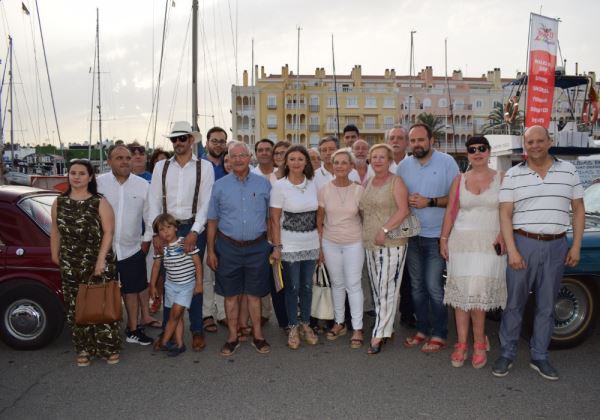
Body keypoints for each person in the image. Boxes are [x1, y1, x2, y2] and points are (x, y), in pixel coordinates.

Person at [492, 125, 585, 381]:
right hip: (523, 243)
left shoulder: (569, 171)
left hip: (556, 245)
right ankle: (507, 353)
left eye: (539, 140)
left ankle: (540, 355)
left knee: (547, 305)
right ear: (525, 145)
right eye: (529, 141)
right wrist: (512, 250)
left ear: (549, 141)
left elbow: (578, 210)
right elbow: (505, 214)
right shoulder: (513, 175)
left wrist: (575, 245)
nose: (534, 145)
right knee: (514, 303)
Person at [439, 136, 507, 368]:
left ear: (489, 152)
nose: (477, 152)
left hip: (489, 244)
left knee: (478, 295)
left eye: (482, 148)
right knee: (461, 296)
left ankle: (479, 343)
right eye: (472, 149)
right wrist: (444, 239)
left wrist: (503, 235)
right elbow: (451, 211)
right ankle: (461, 344)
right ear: (467, 154)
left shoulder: (502, 178)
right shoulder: (459, 180)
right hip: (462, 243)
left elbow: (509, 211)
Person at [147, 121, 215, 352]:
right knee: (169, 281)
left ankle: (196, 330)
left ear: (191, 140)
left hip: (193, 227)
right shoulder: (161, 167)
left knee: (194, 280)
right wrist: (157, 232)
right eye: (174, 139)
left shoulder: (204, 167)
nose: (177, 143)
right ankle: (168, 329)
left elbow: (206, 202)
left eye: (182, 138)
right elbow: (154, 200)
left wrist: (195, 231)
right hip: (167, 229)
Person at [50, 159, 121, 366]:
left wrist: (100, 261)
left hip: (98, 261)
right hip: (70, 262)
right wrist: (54, 254)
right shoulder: (59, 202)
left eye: (82, 173)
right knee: (76, 307)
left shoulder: (99, 201)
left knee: (101, 304)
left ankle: (108, 348)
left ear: (90, 177)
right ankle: (83, 349)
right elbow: (55, 231)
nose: (77, 177)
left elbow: (109, 232)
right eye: (73, 173)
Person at [206, 141, 273, 356]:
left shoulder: (264, 184)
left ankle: (258, 336)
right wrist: (211, 250)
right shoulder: (219, 186)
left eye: (242, 155)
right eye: (233, 156)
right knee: (231, 295)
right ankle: (233, 337)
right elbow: (212, 221)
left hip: (257, 247)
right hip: (228, 247)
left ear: (249, 157)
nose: (237, 159)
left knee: (255, 295)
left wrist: (271, 244)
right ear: (229, 159)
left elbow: (271, 218)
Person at [398, 123, 459, 353]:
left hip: (437, 237)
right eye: (413, 141)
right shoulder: (404, 166)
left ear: (431, 140)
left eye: (421, 140)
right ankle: (422, 330)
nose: (417, 145)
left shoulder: (447, 162)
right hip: (412, 236)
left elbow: (455, 199)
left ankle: (440, 333)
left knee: (434, 287)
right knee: (416, 288)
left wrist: (429, 201)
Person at [97, 145, 159, 347]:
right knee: (104, 292)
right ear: (109, 161)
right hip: (103, 250)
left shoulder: (142, 185)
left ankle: (133, 329)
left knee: (132, 291)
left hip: (132, 248)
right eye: (119, 158)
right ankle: (103, 332)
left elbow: (150, 215)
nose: (124, 161)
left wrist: (146, 242)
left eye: (127, 157)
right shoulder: (98, 184)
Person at [359, 144, 410, 354]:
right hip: (370, 243)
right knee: (377, 287)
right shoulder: (370, 181)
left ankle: (379, 333)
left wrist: (385, 229)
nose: (378, 160)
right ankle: (385, 327)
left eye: (382, 157)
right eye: (374, 157)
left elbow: (404, 210)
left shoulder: (396, 181)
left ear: (390, 160)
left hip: (392, 243)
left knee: (387, 288)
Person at [270, 145, 320, 349]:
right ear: (286, 162)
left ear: (306, 162)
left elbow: (319, 216)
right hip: (289, 245)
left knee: (307, 287)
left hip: (311, 243)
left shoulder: (314, 184)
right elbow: (274, 219)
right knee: (292, 287)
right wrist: (277, 246)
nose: (296, 163)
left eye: (300, 159)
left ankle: (305, 324)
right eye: (292, 159)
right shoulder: (279, 186)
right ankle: (292, 326)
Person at [317, 149, 365, 348]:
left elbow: (364, 217)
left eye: (344, 162)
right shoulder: (324, 189)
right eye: (336, 162)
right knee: (337, 284)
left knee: (353, 284)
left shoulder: (359, 190)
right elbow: (319, 222)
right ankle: (339, 322)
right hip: (330, 242)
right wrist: (320, 248)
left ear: (351, 166)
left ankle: (358, 327)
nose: (339, 166)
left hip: (354, 241)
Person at [149, 213, 203, 357]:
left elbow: (197, 264)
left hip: (186, 285)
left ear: (175, 228)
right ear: (157, 233)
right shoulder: (162, 248)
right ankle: (179, 344)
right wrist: (153, 286)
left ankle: (165, 341)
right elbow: (156, 266)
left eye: (169, 227)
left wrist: (198, 284)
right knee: (177, 317)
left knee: (175, 313)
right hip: (170, 285)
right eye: (161, 229)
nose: (166, 231)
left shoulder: (185, 243)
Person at [250, 138, 288, 329]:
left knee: (283, 278)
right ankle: (264, 313)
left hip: (288, 232)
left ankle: (288, 317)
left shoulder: (282, 174)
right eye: (261, 150)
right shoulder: (251, 174)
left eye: (269, 150)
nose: (265, 153)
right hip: (264, 232)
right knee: (265, 275)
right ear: (256, 153)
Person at [200, 127, 228, 334]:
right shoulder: (199, 166)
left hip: (226, 227)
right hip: (204, 225)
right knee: (207, 272)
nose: (218, 144)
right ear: (207, 142)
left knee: (224, 272)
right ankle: (207, 313)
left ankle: (223, 313)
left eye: (221, 141)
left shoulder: (230, 165)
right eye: (214, 141)